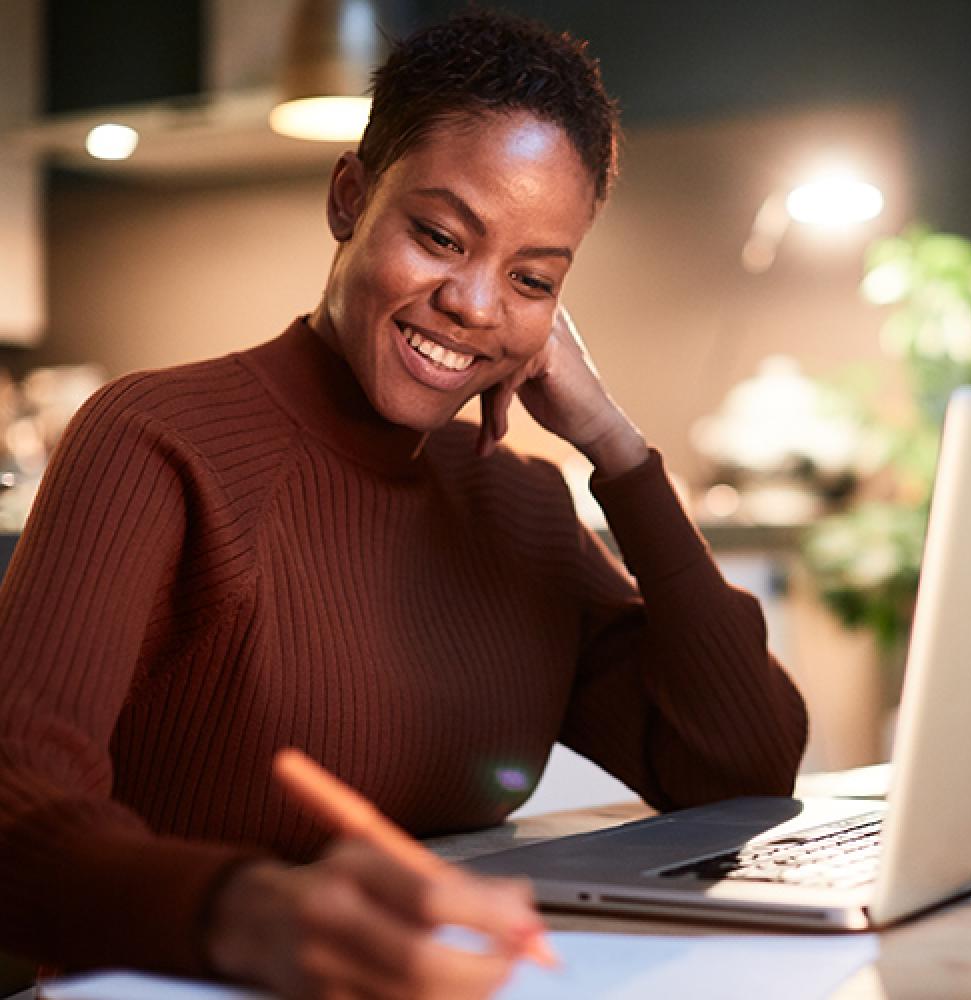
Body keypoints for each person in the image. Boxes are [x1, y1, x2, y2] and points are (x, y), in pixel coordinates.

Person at [0, 9, 808, 999]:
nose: (474, 303)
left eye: (531, 278)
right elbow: (13, 808)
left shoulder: (519, 502)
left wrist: (618, 451)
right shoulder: (155, 440)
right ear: (350, 197)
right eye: (439, 236)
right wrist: (254, 912)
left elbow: (743, 765)